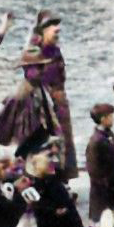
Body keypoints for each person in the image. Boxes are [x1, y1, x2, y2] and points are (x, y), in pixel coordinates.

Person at [31, 10, 77, 178]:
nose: (57, 29)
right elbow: (33, 80)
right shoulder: (34, 53)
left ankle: (64, 177)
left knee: (66, 144)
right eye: (52, 26)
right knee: (49, 145)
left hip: (60, 103)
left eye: (57, 26)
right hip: (44, 106)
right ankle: (49, 177)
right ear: (42, 30)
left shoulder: (56, 51)